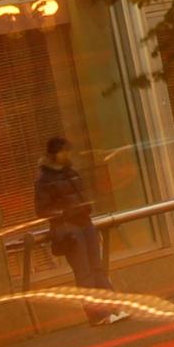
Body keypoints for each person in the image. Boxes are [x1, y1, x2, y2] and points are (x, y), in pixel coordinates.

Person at [35, 137, 129, 326]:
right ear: (54, 154)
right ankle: (98, 315)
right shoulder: (45, 180)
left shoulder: (71, 173)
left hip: (84, 222)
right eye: (64, 151)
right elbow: (42, 210)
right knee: (84, 272)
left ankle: (113, 308)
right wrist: (65, 213)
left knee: (97, 268)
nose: (67, 154)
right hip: (68, 227)